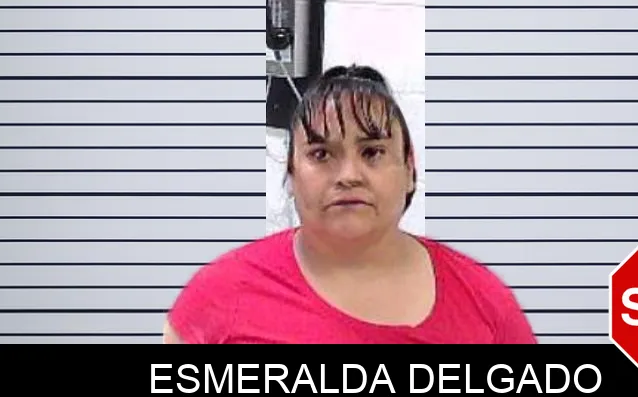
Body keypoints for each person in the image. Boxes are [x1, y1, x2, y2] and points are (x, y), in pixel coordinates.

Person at [163, 64, 537, 344]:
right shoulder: (220, 294)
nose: (348, 175)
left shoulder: (485, 301)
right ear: (291, 174)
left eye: (372, 152)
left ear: (410, 169)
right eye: (321, 154)